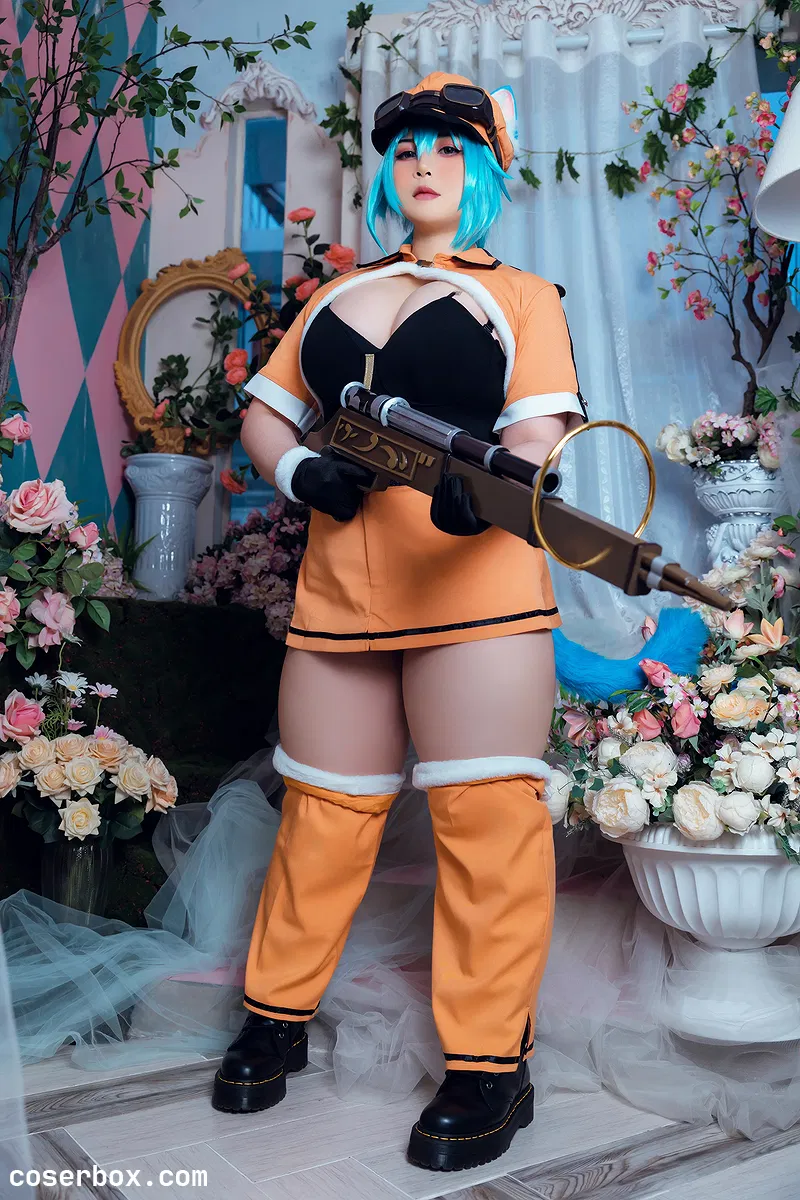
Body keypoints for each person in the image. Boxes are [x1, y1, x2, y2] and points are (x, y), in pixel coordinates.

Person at [211, 72, 588, 1173]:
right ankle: (274, 1018)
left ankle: (490, 1064)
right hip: (340, 592)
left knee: (486, 823)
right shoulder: (335, 296)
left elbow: (540, 434)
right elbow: (264, 414)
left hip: (477, 594)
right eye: (409, 147)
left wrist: (491, 488)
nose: (425, 163)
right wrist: (297, 476)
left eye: (450, 147)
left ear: (486, 171)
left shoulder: (522, 298)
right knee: (321, 816)